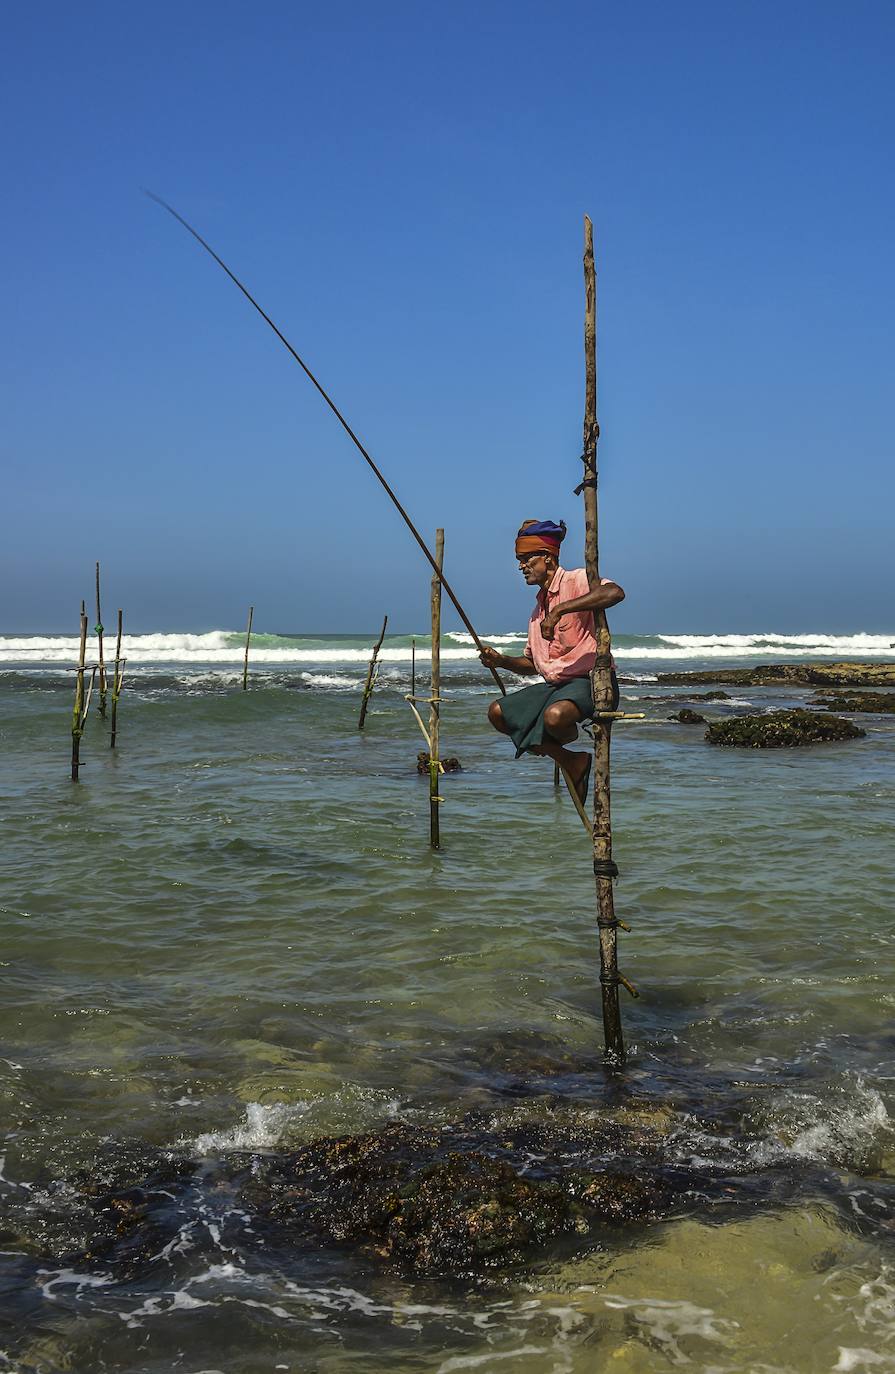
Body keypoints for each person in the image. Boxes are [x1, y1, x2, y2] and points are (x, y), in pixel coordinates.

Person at [479, 518, 624, 803]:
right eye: (519, 560)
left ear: (547, 557)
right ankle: (571, 760)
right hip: (554, 688)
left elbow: (615, 593)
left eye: (526, 559)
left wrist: (560, 612)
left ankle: (565, 738)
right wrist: (500, 660)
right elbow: (534, 664)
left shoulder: (576, 580)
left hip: (589, 682)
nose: (521, 566)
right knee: (498, 712)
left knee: (554, 717)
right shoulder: (536, 611)